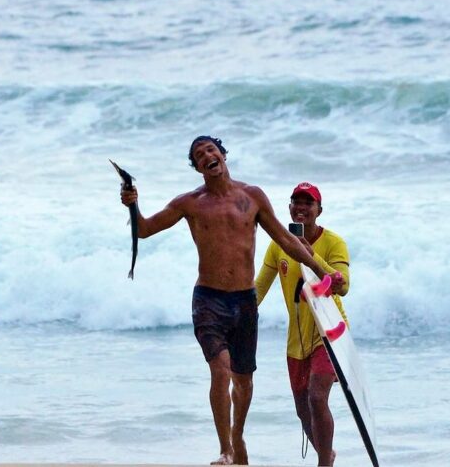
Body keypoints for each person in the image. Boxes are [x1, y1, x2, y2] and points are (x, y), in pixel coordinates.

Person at [119, 136, 336, 466]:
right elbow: (144, 230)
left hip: (244, 302)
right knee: (219, 370)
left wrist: (324, 272)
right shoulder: (189, 203)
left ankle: (237, 434)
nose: (207, 155)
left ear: (222, 155)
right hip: (208, 300)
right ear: (197, 168)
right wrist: (133, 205)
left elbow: (288, 240)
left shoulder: (253, 197)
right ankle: (225, 450)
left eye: (211, 149)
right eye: (199, 155)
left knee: (244, 382)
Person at [255, 182, 350, 467]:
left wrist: (308, 253)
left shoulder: (334, 242)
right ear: (289, 208)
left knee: (317, 397)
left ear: (319, 210)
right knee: (302, 410)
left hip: (330, 330)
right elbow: (258, 289)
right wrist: (233, 313)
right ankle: (327, 452)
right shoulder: (278, 245)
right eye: (296, 201)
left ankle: (324, 463)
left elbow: (342, 287)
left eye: (308, 203)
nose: (301, 207)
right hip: (297, 339)